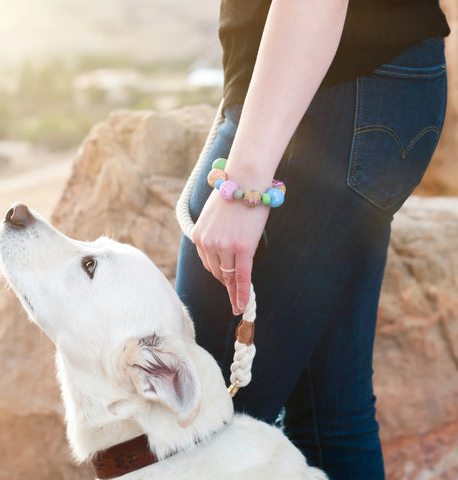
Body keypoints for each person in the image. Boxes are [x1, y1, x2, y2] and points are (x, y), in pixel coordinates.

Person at [175, 1, 450, 478]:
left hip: (327, 97)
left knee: (197, 433)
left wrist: (245, 187)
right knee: (330, 421)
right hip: (377, 89)